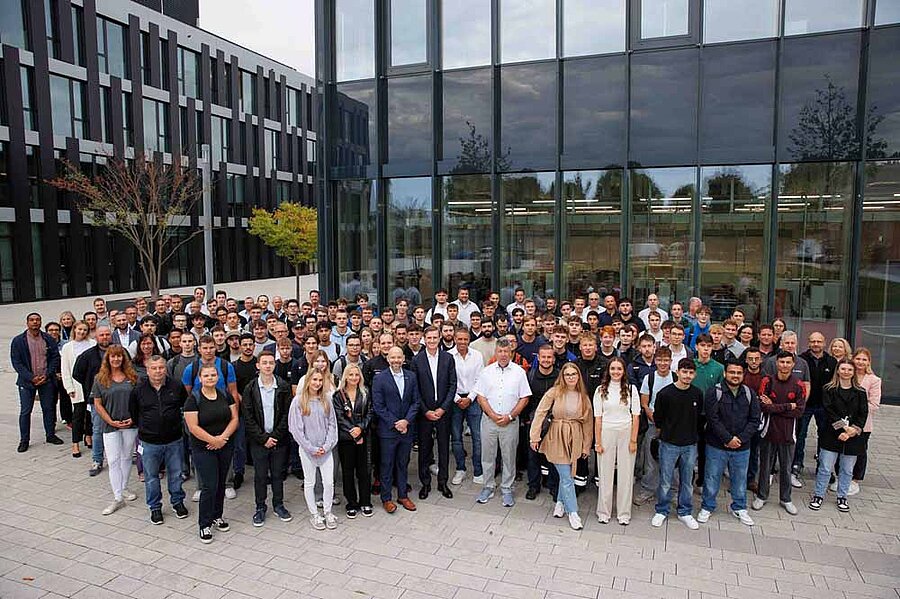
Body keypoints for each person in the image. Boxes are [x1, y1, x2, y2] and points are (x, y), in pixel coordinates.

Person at [529, 363, 592, 530]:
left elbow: (588, 423)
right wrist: (534, 436)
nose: (570, 377)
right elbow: (540, 412)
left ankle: (559, 502)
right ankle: (573, 512)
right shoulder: (554, 392)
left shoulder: (583, 397)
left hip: (575, 437)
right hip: (557, 436)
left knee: (568, 473)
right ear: (562, 377)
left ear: (578, 376)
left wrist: (586, 446)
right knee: (567, 476)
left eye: (573, 374)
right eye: (567, 374)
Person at [698, 359, 760, 527]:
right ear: (725, 373)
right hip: (716, 445)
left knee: (740, 479)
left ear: (743, 374)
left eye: (739, 373)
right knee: (712, 477)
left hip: (742, 446)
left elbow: (755, 420)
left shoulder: (749, 393)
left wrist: (739, 439)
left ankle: (739, 507)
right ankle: (707, 506)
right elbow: (712, 419)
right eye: (732, 372)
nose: (735, 375)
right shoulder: (714, 392)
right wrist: (727, 439)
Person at [129, 355, 189, 524]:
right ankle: (155, 507)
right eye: (154, 368)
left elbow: (184, 406)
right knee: (151, 477)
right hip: (149, 442)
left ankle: (177, 502)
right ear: (147, 370)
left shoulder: (176, 386)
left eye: (161, 367)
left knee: (176, 474)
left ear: (165, 368)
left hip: (174, 440)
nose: (158, 371)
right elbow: (134, 413)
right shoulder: (138, 390)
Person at [473, 338, 532, 508]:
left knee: (509, 456)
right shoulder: (487, 371)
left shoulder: (519, 372)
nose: (503, 355)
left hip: (510, 422)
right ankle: (488, 485)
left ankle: (507, 488)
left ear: (511, 353)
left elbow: (524, 397)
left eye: (507, 351)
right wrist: (491, 414)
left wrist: (511, 416)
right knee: (488, 456)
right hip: (489, 421)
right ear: (496, 352)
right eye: (500, 351)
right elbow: (481, 396)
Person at [185, 364, 239, 543]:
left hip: (224, 445)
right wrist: (212, 440)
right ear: (200, 379)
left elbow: (234, 419)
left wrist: (222, 438)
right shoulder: (193, 399)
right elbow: (193, 426)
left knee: (221, 483)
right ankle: (204, 524)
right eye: (206, 376)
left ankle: (217, 516)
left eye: (213, 375)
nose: (210, 378)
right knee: (209, 485)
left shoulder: (225, 394)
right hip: (203, 448)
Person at [809, 360, 868, 513]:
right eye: (843, 368)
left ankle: (842, 496)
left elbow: (863, 414)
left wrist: (852, 431)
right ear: (838, 370)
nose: (846, 372)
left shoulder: (860, 392)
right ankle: (818, 495)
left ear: (853, 372)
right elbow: (828, 411)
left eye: (849, 369)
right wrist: (842, 429)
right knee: (825, 468)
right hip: (831, 435)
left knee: (847, 469)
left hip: (853, 437)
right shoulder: (828, 389)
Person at [242, 351, 293, 527]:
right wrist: (263, 438)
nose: (268, 366)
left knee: (278, 474)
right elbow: (248, 417)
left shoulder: (283, 386)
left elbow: (287, 414)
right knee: (261, 475)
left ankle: (278, 504)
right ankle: (260, 507)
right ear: (258, 366)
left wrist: (275, 436)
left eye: (271, 362)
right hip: (259, 441)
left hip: (279, 439)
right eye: (264, 363)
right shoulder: (250, 388)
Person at [753, 351, 806, 515]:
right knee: (765, 467)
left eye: (787, 362)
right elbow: (763, 406)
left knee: (786, 468)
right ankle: (761, 496)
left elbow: (799, 411)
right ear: (776, 363)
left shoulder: (799, 385)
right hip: (769, 432)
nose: (784, 365)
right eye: (781, 362)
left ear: (793, 364)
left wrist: (775, 407)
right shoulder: (767, 381)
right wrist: (787, 406)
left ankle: (786, 499)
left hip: (788, 433)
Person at [651, 358, 702, 530]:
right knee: (666, 480)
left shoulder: (697, 394)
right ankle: (662, 510)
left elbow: (700, 419)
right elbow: (658, 419)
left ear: (694, 374)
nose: (687, 375)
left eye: (690, 372)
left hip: (690, 444)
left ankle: (685, 512)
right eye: (684, 372)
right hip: (669, 443)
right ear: (678, 372)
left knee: (687, 481)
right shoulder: (665, 394)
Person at [91, 346, 139, 515]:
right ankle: (117, 497)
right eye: (113, 357)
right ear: (108, 359)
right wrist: (110, 420)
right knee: (112, 460)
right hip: (110, 425)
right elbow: (97, 403)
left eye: (119, 356)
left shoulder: (133, 377)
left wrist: (133, 418)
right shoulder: (100, 378)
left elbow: (139, 401)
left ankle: (124, 487)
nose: (116, 359)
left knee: (126, 457)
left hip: (129, 424)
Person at [594, 357, 641, 525]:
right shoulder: (600, 390)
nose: (616, 372)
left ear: (624, 371)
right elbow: (597, 418)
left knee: (626, 474)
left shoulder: (631, 389)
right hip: (606, 432)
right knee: (605, 474)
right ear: (608, 370)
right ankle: (603, 512)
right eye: (612, 369)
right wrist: (598, 442)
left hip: (626, 432)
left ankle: (624, 513)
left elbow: (636, 416)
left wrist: (633, 440)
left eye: (619, 369)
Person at [412, 326, 457, 500]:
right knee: (424, 448)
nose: (431, 341)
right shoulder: (417, 360)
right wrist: (425, 410)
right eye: (428, 338)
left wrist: (443, 408)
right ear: (424, 339)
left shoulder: (448, 358)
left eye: (434, 338)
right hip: (425, 413)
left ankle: (443, 482)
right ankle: (425, 483)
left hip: (443, 411)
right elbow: (415, 388)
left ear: (439, 338)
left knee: (444, 448)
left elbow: (453, 384)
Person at [372, 347, 419, 513]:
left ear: (403, 359)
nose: (396, 360)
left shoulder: (411, 376)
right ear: (388, 359)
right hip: (388, 430)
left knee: (402, 463)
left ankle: (402, 495)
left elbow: (416, 402)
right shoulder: (380, 379)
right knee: (386, 464)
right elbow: (378, 406)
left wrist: (406, 421)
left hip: (406, 429)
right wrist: (396, 423)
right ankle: (386, 498)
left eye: (399, 357)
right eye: (393, 357)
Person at [11, 312, 64, 452]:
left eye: (37, 320)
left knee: (48, 408)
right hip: (27, 382)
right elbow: (16, 362)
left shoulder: (47, 339)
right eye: (32, 320)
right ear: (27, 322)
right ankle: (24, 440)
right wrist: (30, 377)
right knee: (25, 411)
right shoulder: (18, 341)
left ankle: (50, 435)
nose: (35, 322)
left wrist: (47, 375)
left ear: (41, 322)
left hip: (46, 380)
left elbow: (55, 358)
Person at [634, 346, 676, 506]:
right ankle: (648, 490)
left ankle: (670, 492)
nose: (663, 363)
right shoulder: (649, 378)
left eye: (666, 360)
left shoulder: (675, 377)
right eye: (659, 360)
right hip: (653, 425)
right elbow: (645, 403)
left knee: (672, 461)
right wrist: (657, 422)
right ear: (655, 361)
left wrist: (667, 424)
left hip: (672, 427)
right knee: (651, 461)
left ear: (671, 361)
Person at [794, 332, 836, 488]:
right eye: (813, 341)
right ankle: (797, 464)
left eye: (819, 341)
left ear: (824, 343)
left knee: (824, 436)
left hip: (824, 407)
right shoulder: (801, 359)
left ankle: (822, 466)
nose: (816, 344)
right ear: (809, 343)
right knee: (800, 435)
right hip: (806, 404)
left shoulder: (831, 362)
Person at [333, 363, 374, 518]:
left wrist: (360, 429)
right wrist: (353, 431)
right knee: (348, 472)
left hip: (363, 437)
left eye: (357, 375)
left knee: (364, 471)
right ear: (345, 376)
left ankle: (365, 502)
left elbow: (370, 412)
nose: (354, 378)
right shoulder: (338, 395)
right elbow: (339, 417)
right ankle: (351, 503)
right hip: (346, 439)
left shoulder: (365, 393)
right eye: (351, 375)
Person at [449, 327, 485, 486]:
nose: (462, 342)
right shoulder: (448, 356)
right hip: (454, 399)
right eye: (460, 339)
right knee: (456, 437)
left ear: (469, 340)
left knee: (478, 437)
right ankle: (460, 469)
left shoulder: (477, 356)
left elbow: (480, 379)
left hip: (473, 398)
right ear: (455, 339)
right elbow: (447, 381)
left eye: (465, 339)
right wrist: (457, 399)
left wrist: (470, 398)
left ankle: (478, 470)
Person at [525, 345, 560, 501]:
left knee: (553, 455)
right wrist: (526, 420)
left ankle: (553, 486)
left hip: (554, 421)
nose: (546, 360)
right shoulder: (530, 376)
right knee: (533, 455)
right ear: (538, 358)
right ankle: (533, 486)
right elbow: (525, 398)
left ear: (553, 358)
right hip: (534, 420)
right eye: (543, 357)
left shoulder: (560, 377)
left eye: (549, 357)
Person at [61, 321, 95, 458]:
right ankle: (75, 443)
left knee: (90, 414)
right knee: (78, 415)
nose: (82, 332)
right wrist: (69, 387)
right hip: (77, 386)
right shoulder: (68, 347)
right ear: (74, 329)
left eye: (85, 330)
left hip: (91, 385)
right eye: (79, 329)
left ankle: (88, 435)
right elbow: (65, 369)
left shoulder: (92, 343)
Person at [848, 348, 880, 495]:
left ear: (868, 362)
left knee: (860, 451)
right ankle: (843, 476)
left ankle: (855, 479)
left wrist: (855, 408)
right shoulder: (848, 374)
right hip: (844, 422)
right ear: (853, 359)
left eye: (864, 359)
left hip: (862, 423)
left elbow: (874, 405)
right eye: (858, 359)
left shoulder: (874, 380)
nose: (860, 362)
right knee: (844, 450)